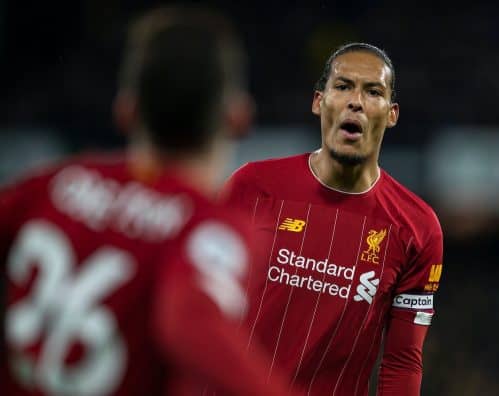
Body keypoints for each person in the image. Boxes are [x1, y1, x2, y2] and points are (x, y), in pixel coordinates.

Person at [0, 5, 296, 396]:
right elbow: (189, 316)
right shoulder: (205, 228)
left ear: (126, 109)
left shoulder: (55, 183)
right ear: (238, 116)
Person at [220, 42, 444, 395]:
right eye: (342, 87)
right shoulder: (253, 187)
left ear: (391, 113)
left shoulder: (417, 228)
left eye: (373, 92)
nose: (356, 101)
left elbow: (402, 361)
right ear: (318, 101)